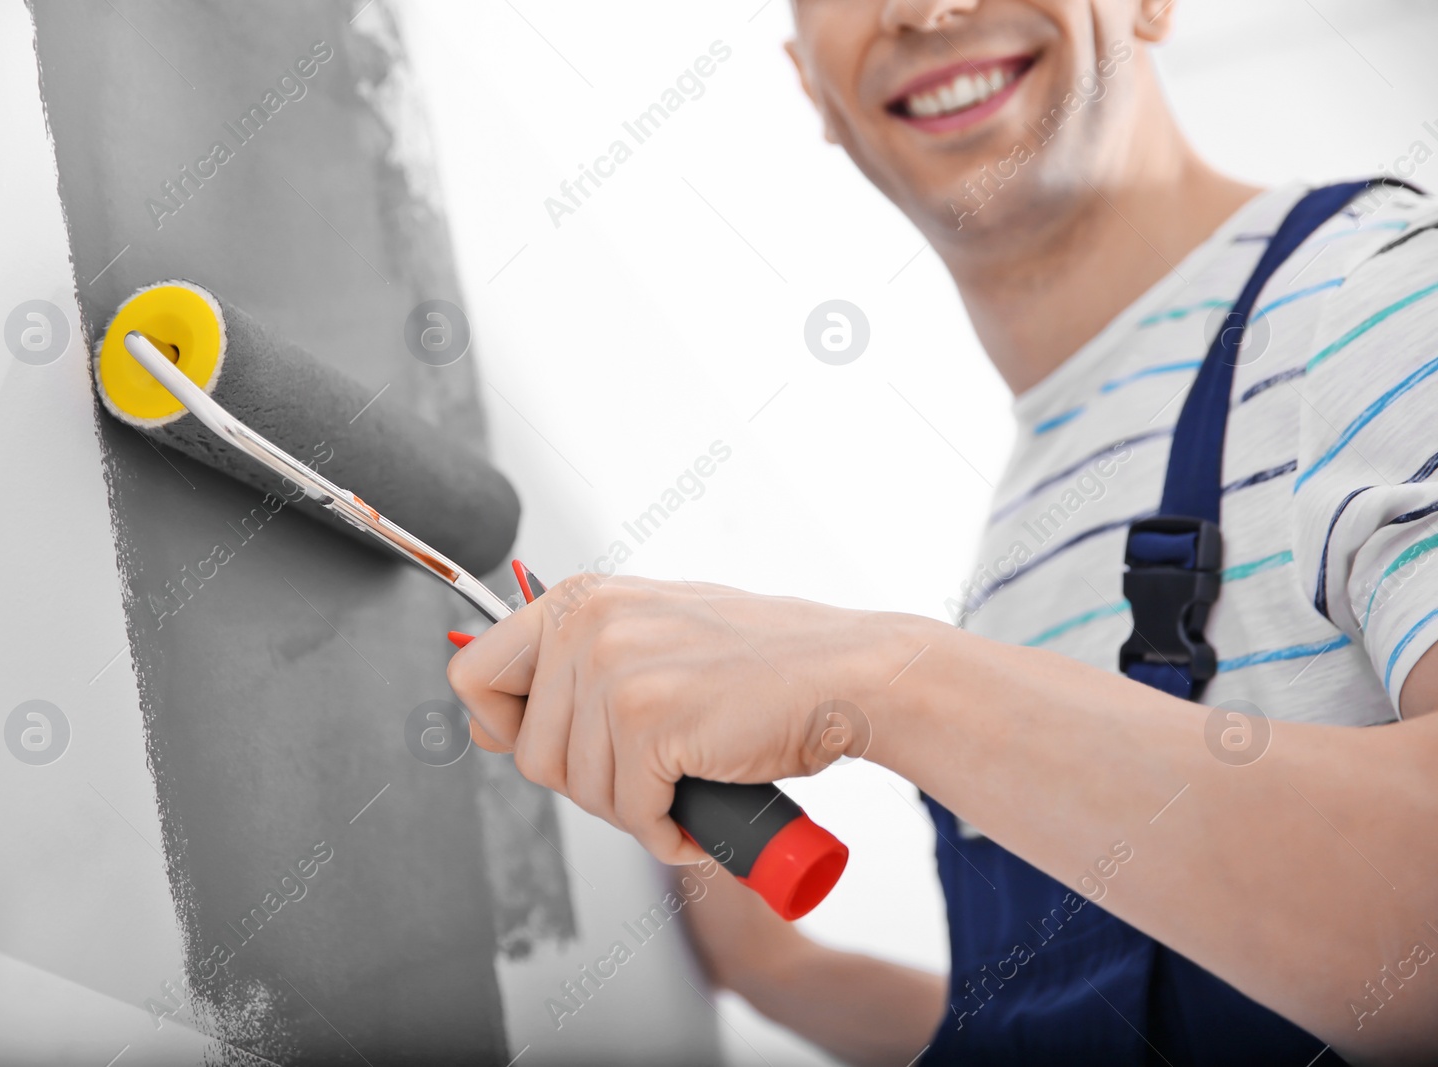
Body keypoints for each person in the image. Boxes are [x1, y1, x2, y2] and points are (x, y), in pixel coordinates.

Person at [446, 0, 1438, 1062]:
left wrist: (886, 679)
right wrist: (782, 976)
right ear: (808, 85)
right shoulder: (1039, 501)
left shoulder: (1380, 298)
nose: (926, 10)